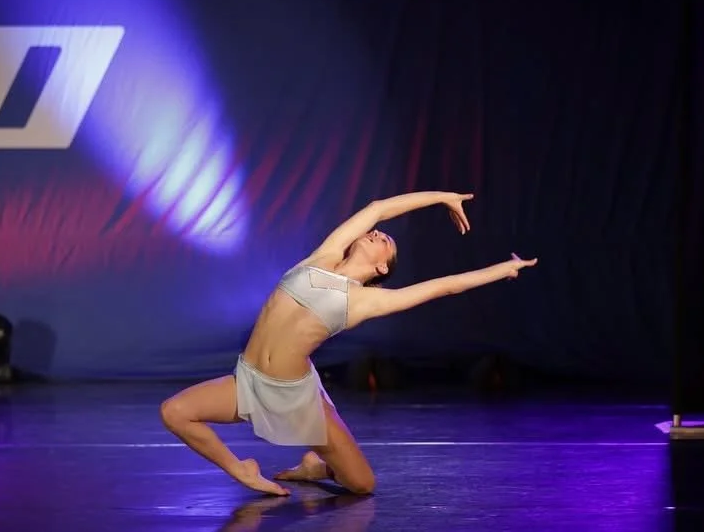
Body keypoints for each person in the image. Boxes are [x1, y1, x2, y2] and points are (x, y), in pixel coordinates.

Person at [160, 191, 537, 496]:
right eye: (378, 233)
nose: (378, 233)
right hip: (248, 381)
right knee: (174, 412)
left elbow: (446, 286)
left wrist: (503, 269)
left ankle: (316, 467)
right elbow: (378, 208)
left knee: (362, 484)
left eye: (385, 242)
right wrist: (442, 198)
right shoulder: (323, 256)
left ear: (382, 268)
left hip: (294, 398)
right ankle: (242, 470)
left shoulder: (364, 301)